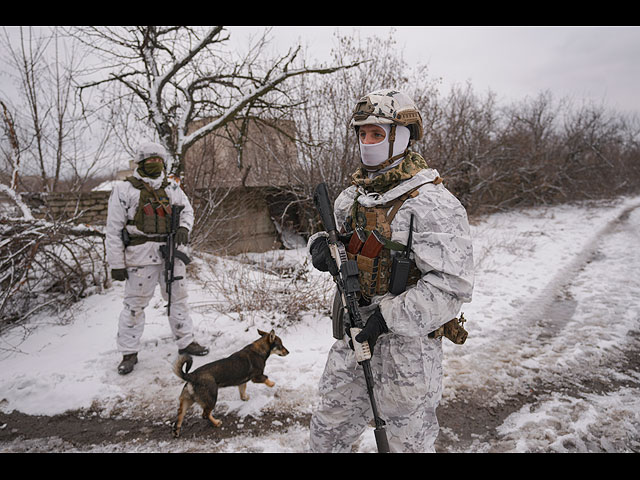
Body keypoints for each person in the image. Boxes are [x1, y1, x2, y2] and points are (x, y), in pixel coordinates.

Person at [308, 89, 474, 452]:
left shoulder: (433, 204)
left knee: (405, 444)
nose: (367, 142)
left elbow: (450, 288)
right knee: (327, 432)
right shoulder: (351, 198)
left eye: (377, 134)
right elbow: (332, 238)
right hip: (354, 334)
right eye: (362, 134)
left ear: (401, 136)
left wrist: (385, 320)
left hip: (407, 352)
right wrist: (318, 247)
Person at [106, 141, 209, 375]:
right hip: (139, 256)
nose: (155, 164)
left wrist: (184, 227)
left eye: (158, 160)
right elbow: (113, 230)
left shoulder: (172, 188)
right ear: (140, 163)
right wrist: (116, 264)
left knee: (178, 300)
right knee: (134, 305)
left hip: (172, 252)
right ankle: (129, 353)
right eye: (150, 160)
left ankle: (186, 341)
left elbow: (187, 211)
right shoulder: (124, 190)